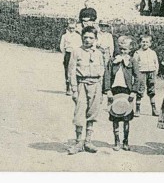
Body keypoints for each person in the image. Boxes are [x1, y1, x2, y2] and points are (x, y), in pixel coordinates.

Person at [68, 25, 108, 155]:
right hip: (82, 85)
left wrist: (102, 92)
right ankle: (79, 142)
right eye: (85, 37)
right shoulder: (76, 51)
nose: (88, 40)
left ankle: (88, 141)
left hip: (96, 85)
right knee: (79, 113)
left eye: (91, 38)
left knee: (93, 113)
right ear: (81, 38)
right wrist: (74, 89)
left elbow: (102, 72)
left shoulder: (99, 53)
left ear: (95, 39)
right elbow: (72, 71)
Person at [104, 36, 142, 151]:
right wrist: (108, 90)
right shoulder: (112, 60)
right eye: (121, 49)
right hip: (114, 91)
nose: (123, 51)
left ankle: (126, 141)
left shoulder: (132, 61)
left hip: (127, 91)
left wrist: (134, 91)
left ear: (130, 49)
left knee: (126, 117)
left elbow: (138, 77)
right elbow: (107, 75)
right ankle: (116, 141)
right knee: (115, 116)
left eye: (125, 49)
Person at [132, 34, 159, 116]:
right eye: (143, 42)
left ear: (150, 43)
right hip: (141, 72)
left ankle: (154, 109)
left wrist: (156, 71)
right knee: (140, 90)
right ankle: (137, 109)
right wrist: (136, 74)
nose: (145, 44)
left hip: (151, 72)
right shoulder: (137, 53)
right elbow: (135, 64)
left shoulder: (153, 53)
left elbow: (156, 63)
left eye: (147, 42)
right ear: (140, 43)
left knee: (152, 90)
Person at [59, 20, 82, 95]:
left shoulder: (78, 36)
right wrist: (65, 54)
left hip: (75, 54)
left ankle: (75, 87)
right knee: (67, 70)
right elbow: (62, 46)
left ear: (76, 28)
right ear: (68, 28)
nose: (71, 30)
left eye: (73, 28)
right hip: (68, 53)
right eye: (70, 28)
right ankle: (68, 87)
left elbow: (80, 46)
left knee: (75, 70)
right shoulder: (65, 36)